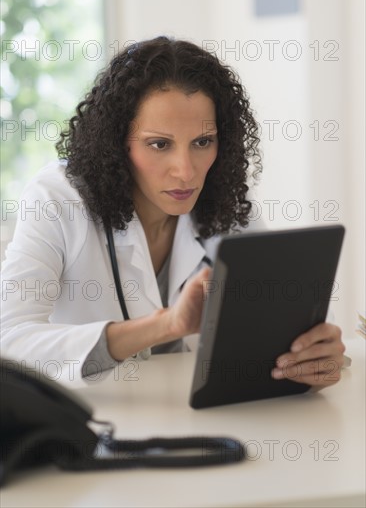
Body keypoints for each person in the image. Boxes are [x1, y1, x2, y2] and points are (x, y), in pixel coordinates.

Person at [1, 36, 345, 387]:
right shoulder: (58, 199)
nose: (185, 171)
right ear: (117, 143)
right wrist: (165, 325)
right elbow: (9, 343)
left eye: (202, 142)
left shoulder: (225, 199)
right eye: (159, 144)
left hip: (204, 421)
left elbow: (286, 319)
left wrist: (313, 355)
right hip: (90, 427)